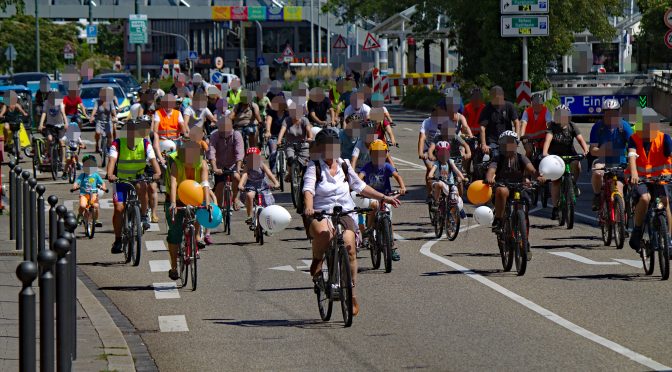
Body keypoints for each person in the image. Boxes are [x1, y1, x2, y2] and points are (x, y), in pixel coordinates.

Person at [303, 128, 401, 316]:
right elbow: (308, 190)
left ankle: (351, 293)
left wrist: (384, 198)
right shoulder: (314, 166)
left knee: (349, 248)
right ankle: (317, 260)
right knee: (324, 234)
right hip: (321, 211)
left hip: (345, 210)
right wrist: (309, 207)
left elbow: (360, 186)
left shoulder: (345, 165)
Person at [107, 122, 162, 254]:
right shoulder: (117, 143)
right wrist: (110, 174)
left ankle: (143, 216)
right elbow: (112, 161)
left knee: (142, 186)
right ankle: (118, 239)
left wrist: (157, 173)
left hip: (138, 177)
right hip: (120, 181)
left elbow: (153, 161)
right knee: (119, 208)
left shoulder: (145, 144)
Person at [626, 109, 672, 252]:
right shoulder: (635, 138)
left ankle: (669, 240)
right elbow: (632, 156)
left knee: (664, 202)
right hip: (640, 179)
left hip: (661, 179)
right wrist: (633, 173)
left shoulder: (664, 138)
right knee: (645, 199)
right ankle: (638, 230)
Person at [166, 140, 211, 280]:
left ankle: (197, 236)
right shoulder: (176, 164)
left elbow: (205, 184)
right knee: (175, 232)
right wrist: (173, 203)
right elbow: (173, 184)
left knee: (201, 211)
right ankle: (174, 267)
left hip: (195, 198)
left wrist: (207, 203)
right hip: (177, 199)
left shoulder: (202, 164)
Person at [358, 140, 407, 261]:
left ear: (385, 155)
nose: (378, 157)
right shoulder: (368, 166)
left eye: (381, 154)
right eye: (375, 154)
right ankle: (368, 231)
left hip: (386, 197)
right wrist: (358, 186)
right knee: (373, 206)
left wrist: (402, 187)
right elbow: (360, 177)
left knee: (389, 219)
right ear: (371, 154)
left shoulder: (387, 166)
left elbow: (397, 176)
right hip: (372, 196)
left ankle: (392, 246)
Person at [486, 131, 541, 237]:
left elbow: (532, 170)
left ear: (516, 144)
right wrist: (489, 179)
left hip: (519, 187)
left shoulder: (521, 158)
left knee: (523, 210)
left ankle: (524, 238)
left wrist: (539, 177)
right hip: (503, 186)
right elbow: (491, 171)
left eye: (511, 142)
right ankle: (498, 220)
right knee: (501, 191)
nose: (508, 145)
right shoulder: (498, 159)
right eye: (504, 143)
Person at [542, 105, 589, 220]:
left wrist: (585, 150)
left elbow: (580, 139)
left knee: (577, 164)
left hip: (569, 154)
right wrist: (545, 152)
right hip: (555, 156)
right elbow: (548, 139)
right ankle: (555, 207)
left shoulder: (572, 126)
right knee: (556, 181)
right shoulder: (552, 126)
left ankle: (573, 183)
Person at [589, 99, 633, 211]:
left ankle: (620, 220)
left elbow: (633, 146)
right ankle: (597, 196)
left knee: (619, 188)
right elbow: (592, 150)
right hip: (603, 161)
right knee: (597, 173)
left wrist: (631, 162)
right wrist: (601, 151)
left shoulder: (624, 126)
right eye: (607, 113)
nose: (610, 116)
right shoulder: (598, 127)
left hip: (621, 163)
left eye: (614, 113)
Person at [208, 117, 245, 211]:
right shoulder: (214, 135)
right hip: (219, 165)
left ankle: (236, 198)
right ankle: (219, 209)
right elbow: (211, 152)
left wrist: (238, 167)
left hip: (233, 165)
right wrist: (215, 168)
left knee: (237, 177)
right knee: (219, 187)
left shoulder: (236, 135)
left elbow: (239, 152)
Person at [238, 147, 280, 224]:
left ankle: (269, 221)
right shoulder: (247, 166)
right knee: (249, 196)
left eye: (254, 156)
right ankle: (249, 216)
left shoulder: (261, 164)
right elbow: (244, 175)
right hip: (251, 185)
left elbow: (269, 174)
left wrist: (276, 183)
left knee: (268, 204)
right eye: (250, 156)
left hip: (262, 185)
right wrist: (240, 184)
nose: (252, 159)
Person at [428, 141, 466, 219]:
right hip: (439, 182)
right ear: (437, 153)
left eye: (445, 153)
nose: (443, 155)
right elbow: (431, 172)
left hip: (450, 184)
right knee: (439, 184)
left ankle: (457, 211)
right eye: (441, 153)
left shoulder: (450, 162)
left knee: (455, 196)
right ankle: (436, 202)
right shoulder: (436, 163)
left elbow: (457, 171)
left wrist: (463, 178)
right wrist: (431, 176)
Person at [479, 86, 520, 158]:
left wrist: (516, 138)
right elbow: (482, 127)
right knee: (495, 157)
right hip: (493, 141)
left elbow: (516, 122)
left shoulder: (509, 106)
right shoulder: (487, 109)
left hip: (507, 139)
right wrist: (484, 144)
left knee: (515, 157)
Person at [277, 102, 313, 183]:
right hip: (290, 145)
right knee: (290, 159)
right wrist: (279, 140)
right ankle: (290, 173)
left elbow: (309, 131)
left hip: (303, 144)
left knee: (305, 165)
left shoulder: (305, 120)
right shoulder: (286, 120)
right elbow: (282, 131)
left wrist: (310, 137)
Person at [152, 94, 188, 166]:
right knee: (169, 144)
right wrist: (175, 131)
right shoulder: (158, 113)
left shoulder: (178, 113)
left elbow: (183, 129)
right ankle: (162, 160)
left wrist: (183, 133)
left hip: (176, 139)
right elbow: (155, 130)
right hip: (163, 140)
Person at [71, 154, 107, 226]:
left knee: (96, 206)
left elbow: (102, 182)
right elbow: (77, 181)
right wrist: (75, 186)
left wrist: (104, 187)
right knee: (82, 206)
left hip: (93, 193)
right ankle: (80, 215)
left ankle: (96, 219)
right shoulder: (83, 175)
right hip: (84, 194)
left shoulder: (96, 175)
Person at [38, 91, 68, 165]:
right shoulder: (46, 102)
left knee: (61, 142)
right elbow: (44, 113)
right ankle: (48, 154)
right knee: (49, 139)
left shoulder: (60, 103)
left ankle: (63, 161)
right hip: (50, 125)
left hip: (60, 125)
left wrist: (66, 123)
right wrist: (41, 124)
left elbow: (63, 113)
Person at [520, 93, 552, 159]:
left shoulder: (546, 111)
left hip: (542, 137)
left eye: (539, 104)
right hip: (528, 137)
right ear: (532, 104)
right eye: (535, 104)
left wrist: (550, 134)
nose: (537, 106)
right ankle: (525, 166)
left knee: (547, 153)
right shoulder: (527, 111)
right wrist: (522, 136)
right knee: (529, 151)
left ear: (542, 104)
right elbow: (524, 124)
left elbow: (549, 124)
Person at [89, 87, 117, 158]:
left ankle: (109, 148)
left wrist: (115, 117)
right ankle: (97, 145)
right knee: (97, 133)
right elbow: (94, 109)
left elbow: (113, 111)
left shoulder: (110, 102)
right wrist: (92, 116)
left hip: (108, 121)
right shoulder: (97, 102)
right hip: (99, 121)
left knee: (110, 135)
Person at [264, 95, 290, 172]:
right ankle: (273, 169)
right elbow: (268, 122)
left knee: (290, 153)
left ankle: (290, 171)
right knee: (273, 152)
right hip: (274, 136)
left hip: (286, 137)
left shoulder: (287, 114)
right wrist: (268, 131)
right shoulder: (272, 112)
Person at [1, 90, 30, 158]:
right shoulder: (6, 105)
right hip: (8, 121)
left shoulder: (17, 105)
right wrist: (1, 115)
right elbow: (2, 112)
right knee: (5, 127)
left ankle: (19, 153)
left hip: (16, 121)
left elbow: (22, 111)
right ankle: (6, 140)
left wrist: (24, 114)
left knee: (17, 136)